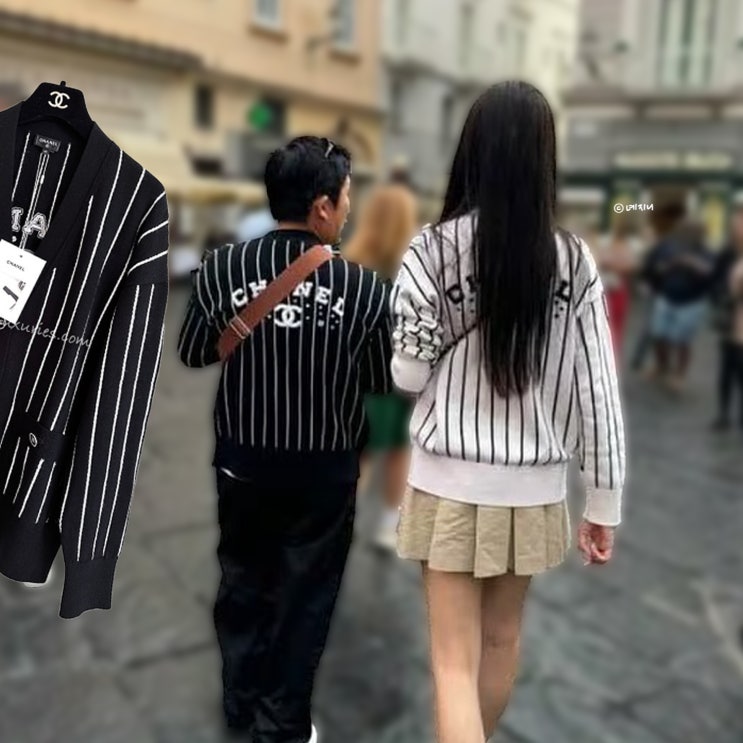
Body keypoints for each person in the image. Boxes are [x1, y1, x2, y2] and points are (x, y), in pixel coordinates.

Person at [391, 81, 626, 743]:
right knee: (499, 642)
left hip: (449, 479)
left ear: (472, 151)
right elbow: (596, 388)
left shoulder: (431, 250)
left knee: (451, 662)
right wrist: (603, 501)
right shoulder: (573, 259)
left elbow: (407, 374)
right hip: (532, 487)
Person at [177, 136, 392, 743]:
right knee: (306, 599)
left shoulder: (222, 268)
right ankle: (282, 724)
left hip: (243, 461)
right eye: (345, 196)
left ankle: (240, 702)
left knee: (243, 582)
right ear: (322, 206)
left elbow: (193, 351)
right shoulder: (366, 290)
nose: (348, 208)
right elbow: (380, 382)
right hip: (324, 471)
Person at [344, 184, 418, 549]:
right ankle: (390, 524)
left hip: (355, 378)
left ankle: (344, 519)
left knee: (359, 453)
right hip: (399, 379)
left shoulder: (347, 266)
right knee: (398, 453)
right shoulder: (415, 272)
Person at [644, 218, 715, 392]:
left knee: (682, 341)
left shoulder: (705, 251)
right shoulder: (669, 247)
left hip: (691, 302)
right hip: (666, 297)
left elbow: (710, 273)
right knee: (658, 335)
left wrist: (691, 263)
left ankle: (679, 375)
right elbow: (657, 268)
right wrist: (671, 264)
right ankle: (662, 366)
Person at [710, 208, 743, 431]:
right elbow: (715, 282)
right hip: (731, 319)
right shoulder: (727, 255)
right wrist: (724, 295)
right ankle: (723, 414)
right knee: (727, 369)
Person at [596, 214, 638, 358]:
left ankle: (610, 355)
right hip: (604, 288)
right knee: (603, 322)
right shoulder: (605, 240)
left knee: (615, 325)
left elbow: (630, 267)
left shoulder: (631, 245)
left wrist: (611, 263)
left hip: (617, 289)